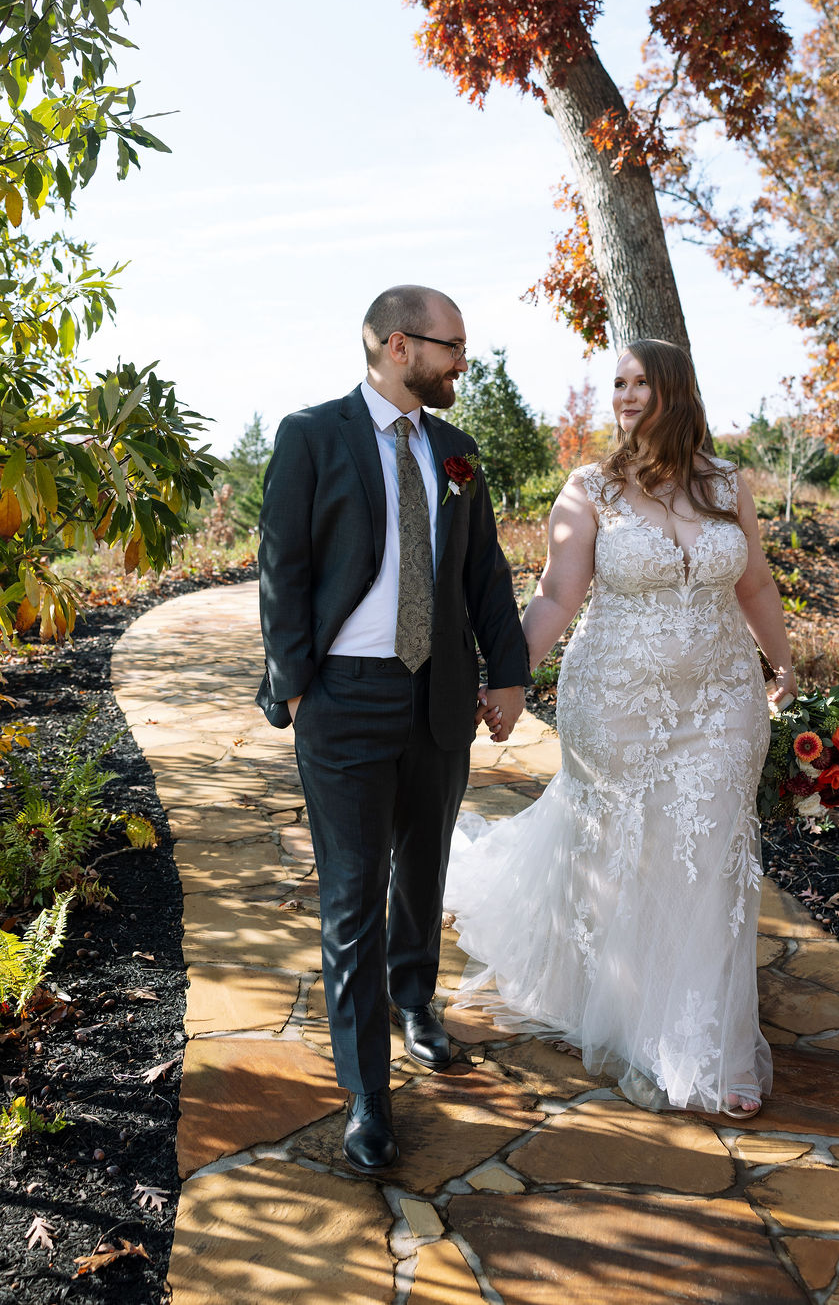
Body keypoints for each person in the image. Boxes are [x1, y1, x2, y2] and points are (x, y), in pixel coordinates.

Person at [448, 339, 797, 1118]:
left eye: (641, 382)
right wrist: (508, 678)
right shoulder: (590, 488)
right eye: (618, 383)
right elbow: (555, 597)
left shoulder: (725, 484)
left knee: (709, 852)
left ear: (677, 390)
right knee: (630, 854)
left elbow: (756, 582)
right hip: (617, 701)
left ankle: (707, 1044)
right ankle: (633, 1018)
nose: (626, 395)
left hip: (721, 699)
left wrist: (782, 664)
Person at [256, 285, 531, 1172]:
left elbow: (483, 570)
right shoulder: (311, 436)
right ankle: (369, 1094)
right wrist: (298, 689)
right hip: (343, 700)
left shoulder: (457, 451)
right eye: (452, 346)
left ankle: (416, 1001)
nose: (463, 363)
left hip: (440, 697)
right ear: (398, 346)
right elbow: (282, 569)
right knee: (351, 897)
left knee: (424, 868)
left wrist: (511, 672)